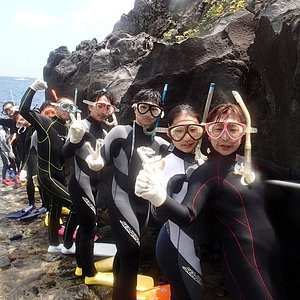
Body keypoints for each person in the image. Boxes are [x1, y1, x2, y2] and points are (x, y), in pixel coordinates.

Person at [135, 101, 300, 300]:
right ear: (208, 133)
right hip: (245, 261)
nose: (225, 137)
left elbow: (290, 174)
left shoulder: (251, 164)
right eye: (217, 129)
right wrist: (156, 195)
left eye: (233, 129)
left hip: (274, 255)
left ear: (245, 132)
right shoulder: (208, 172)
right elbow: (188, 215)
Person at [86, 89, 169, 300]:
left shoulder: (160, 144)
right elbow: (101, 157)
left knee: (125, 254)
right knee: (132, 255)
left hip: (144, 208)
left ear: (160, 113)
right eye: (143, 107)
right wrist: (96, 164)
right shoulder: (120, 133)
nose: (148, 113)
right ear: (134, 108)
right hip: (121, 200)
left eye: (154, 109)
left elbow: (179, 156)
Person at [62, 89, 117, 284]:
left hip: (94, 185)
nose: (103, 110)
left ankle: (80, 266)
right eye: (99, 105)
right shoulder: (80, 126)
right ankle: (89, 273)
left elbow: (110, 161)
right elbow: (65, 153)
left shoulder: (104, 131)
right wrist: (75, 139)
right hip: (80, 183)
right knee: (90, 228)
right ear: (89, 106)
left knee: (83, 225)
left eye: (108, 107)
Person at [19, 79, 78, 253]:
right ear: (55, 107)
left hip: (60, 175)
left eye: (72, 108)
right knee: (75, 205)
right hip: (47, 176)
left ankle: (54, 244)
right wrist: (33, 89)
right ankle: (68, 245)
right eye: (65, 107)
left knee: (55, 209)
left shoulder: (70, 129)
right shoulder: (45, 123)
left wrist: (75, 139)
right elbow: (24, 110)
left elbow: (65, 155)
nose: (69, 111)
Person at [154, 104, 205, 300]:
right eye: (179, 131)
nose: (186, 138)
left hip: (196, 246)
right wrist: (165, 190)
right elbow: (157, 216)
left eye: (193, 130)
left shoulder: (202, 163)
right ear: (169, 133)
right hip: (175, 247)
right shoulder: (164, 164)